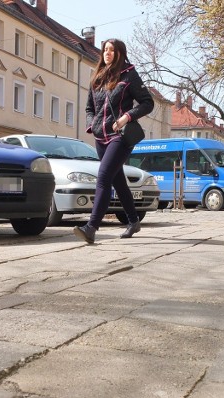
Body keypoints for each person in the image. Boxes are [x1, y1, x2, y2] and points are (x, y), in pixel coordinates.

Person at [73, 39, 154, 244]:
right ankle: (134, 221)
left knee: (104, 176)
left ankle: (91, 227)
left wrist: (128, 116)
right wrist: (92, 125)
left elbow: (148, 103)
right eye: (105, 50)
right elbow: (89, 108)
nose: (107, 53)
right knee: (117, 180)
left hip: (121, 135)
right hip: (101, 136)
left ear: (120, 53)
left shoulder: (129, 74)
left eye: (112, 50)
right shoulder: (97, 77)